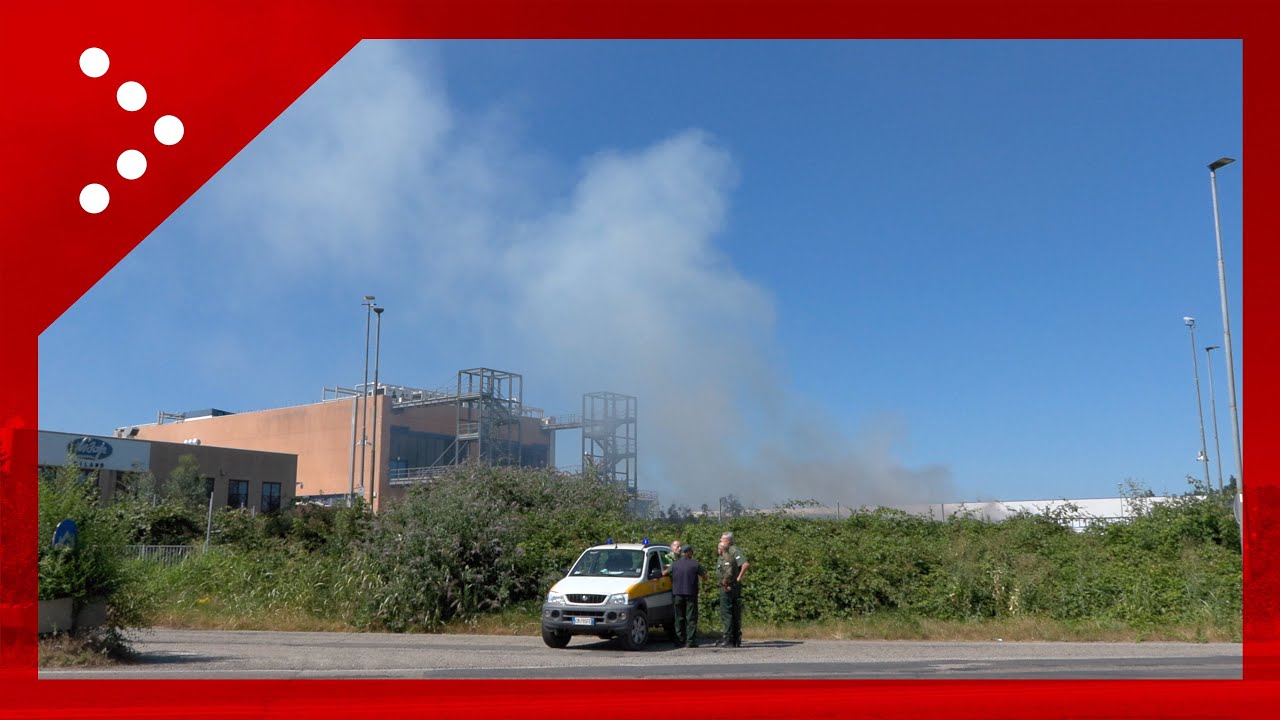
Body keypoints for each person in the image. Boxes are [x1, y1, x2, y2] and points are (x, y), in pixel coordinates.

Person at [669, 545, 707, 648]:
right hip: (691, 594)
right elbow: (705, 577)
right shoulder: (695, 564)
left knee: (679, 618)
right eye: (692, 552)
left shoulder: (675, 564)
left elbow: (665, 573)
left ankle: (679, 640)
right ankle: (691, 641)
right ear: (688, 552)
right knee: (691, 618)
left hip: (677, 594)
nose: (692, 554)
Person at [715, 531, 749, 647]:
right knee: (733, 612)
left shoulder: (733, 550)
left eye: (722, 540)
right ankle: (734, 638)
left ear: (728, 541)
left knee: (728, 612)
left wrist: (739, 578)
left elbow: (745, 564)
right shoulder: (726, 553)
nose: (720, 541)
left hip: (730, 586)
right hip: (731, 585)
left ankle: (730, 638)